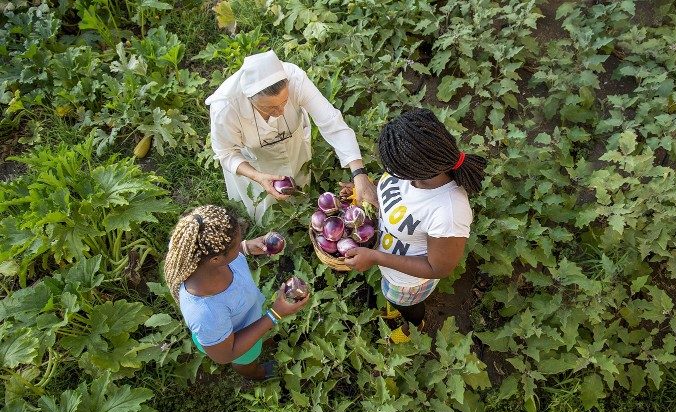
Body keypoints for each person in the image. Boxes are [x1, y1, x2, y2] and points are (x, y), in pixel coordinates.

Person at [343, 108, 487, 343]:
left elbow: (437, 268)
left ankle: (414, 327)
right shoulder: (410, 169)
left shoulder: (448, 211)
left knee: (407, 306)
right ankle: (395, 306)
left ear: (415, 169)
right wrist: (367, 191)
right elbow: (398, 198)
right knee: (392, 297)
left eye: (395, 169)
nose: (390, 173)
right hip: (389, 269)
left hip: (408, 282)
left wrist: (376, 257)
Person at [205, 50, 378, 222]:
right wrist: (257, 176)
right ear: (250, 99)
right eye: (270, 108)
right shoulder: (225, 107)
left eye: (285, 102)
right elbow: (226, 153)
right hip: (254, 160)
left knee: (300, 185)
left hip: (293, 145)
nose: (280, 112)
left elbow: (332, 123)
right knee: (264, 211)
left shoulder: (295, 79)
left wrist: (359, 174)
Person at [163, 205, 310, 379]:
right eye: (236, 245)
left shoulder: (200, 255)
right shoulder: (206, 313)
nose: (241, 243)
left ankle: (264, 337)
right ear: (216, 259)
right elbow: (226, 354)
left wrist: (245, 247)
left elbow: (225, 251)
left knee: (261, 335)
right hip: (236, 340)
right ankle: (256, 374)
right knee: (246, 360)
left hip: (250, 313)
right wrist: (274, 315)